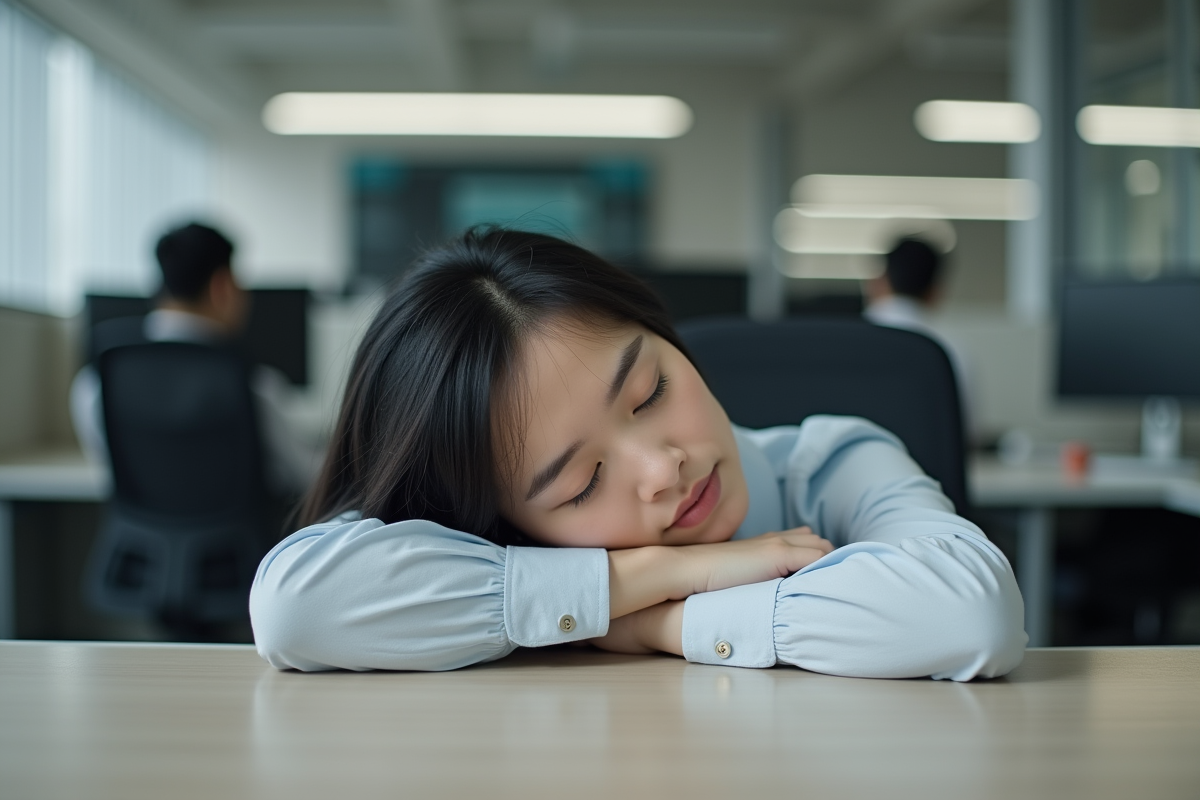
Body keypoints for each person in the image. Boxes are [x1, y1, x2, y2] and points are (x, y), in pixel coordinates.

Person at [250, 228, 1025, 679]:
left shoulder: (832, 462)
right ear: (505, 522)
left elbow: (972, 614)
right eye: (582, 482)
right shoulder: (485, 531)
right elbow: (296, 605)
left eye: (650, 392)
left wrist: (657, 625)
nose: (663, 468)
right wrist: (644, 578)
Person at [70, 222, 319, 499]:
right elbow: (310, 477)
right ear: (221, 287)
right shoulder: (252, 387)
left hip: (140, 526)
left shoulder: (95, 384)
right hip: (243, 527)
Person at [864, 238, 974, 434]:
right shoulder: (953, 352)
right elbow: (967, 434)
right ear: (936, 291)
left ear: (879, 281)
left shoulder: (844, 343)